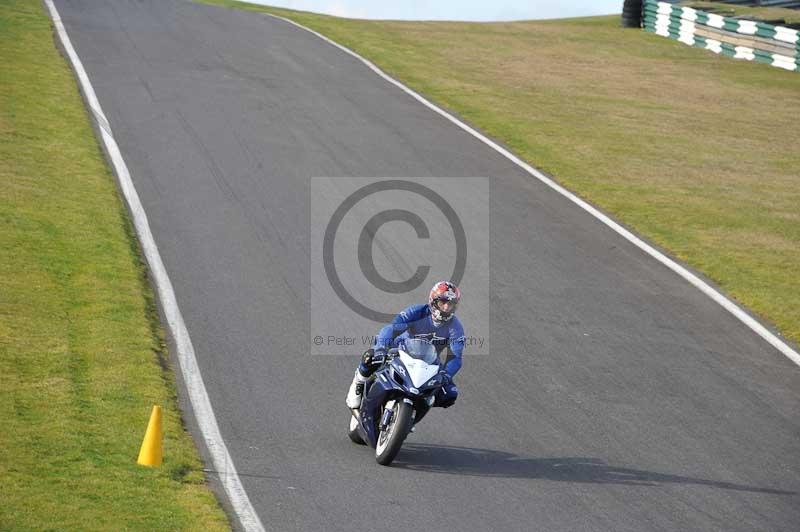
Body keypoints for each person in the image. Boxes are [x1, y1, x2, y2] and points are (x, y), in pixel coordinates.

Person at [346, 281, 465, 410]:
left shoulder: (456, 328)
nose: (446, 307)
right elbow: (391, 329)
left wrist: (446, 374)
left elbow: (455, 357)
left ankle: (415, 411)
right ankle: (358, 382)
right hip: (400, 351)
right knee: (371, 357)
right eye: (443, 302)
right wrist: (381, 347)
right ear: (433, 301)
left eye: (451, 304)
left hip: (427, 363)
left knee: (450, 393)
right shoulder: (417, 312)